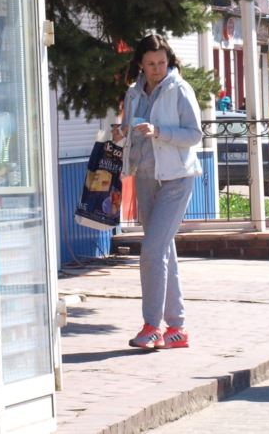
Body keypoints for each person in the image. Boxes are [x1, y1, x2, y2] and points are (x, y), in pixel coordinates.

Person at [112, 34, 203, 348]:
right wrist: (123, 131)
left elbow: (195, 134)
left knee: (151, 251)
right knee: (163, 251)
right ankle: (176, 328)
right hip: (146, 177)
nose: (156, 69)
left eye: (161, 62)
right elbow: (132, 131)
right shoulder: (134, 94)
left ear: (169, 61)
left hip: (177, 178)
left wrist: (159, 131)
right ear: (140, 63)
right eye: (150, 63)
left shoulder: (179, 90)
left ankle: (152, 326)